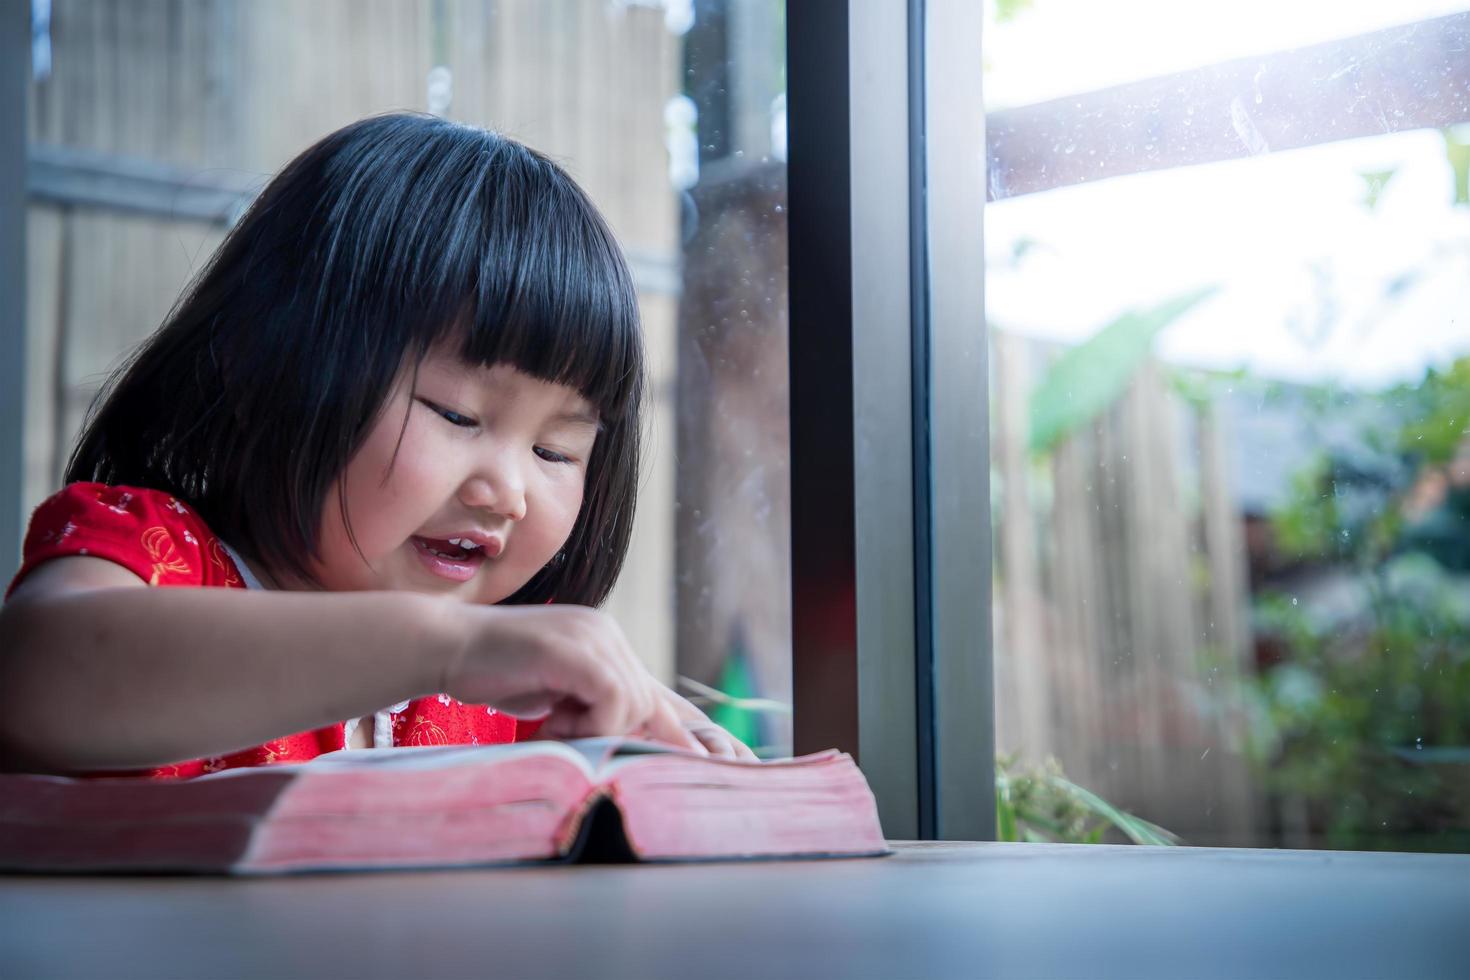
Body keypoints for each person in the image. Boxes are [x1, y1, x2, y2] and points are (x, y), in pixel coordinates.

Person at [0, 113, 752, 777]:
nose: (508, 490)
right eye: (457, 415)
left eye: (555, 451)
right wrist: (447, 645)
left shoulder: (512, 688)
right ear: (260, 367)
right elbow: (38, 677)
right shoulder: (154, 556)